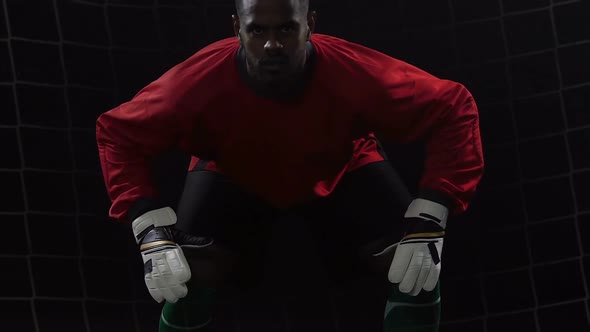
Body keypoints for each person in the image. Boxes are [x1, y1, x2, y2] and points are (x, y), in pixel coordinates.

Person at [95, 0, 484, 330]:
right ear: (237, 28)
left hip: (340, 167)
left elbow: (453, 107)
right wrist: (147, 228)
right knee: (183, 274)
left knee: (416, 264)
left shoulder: (356, 72)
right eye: (257, 30)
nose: (271, 44)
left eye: (286, 28)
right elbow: (117, 133)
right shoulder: (193, 84)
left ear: (310, 25)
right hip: (231, 171)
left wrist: (432, 216)